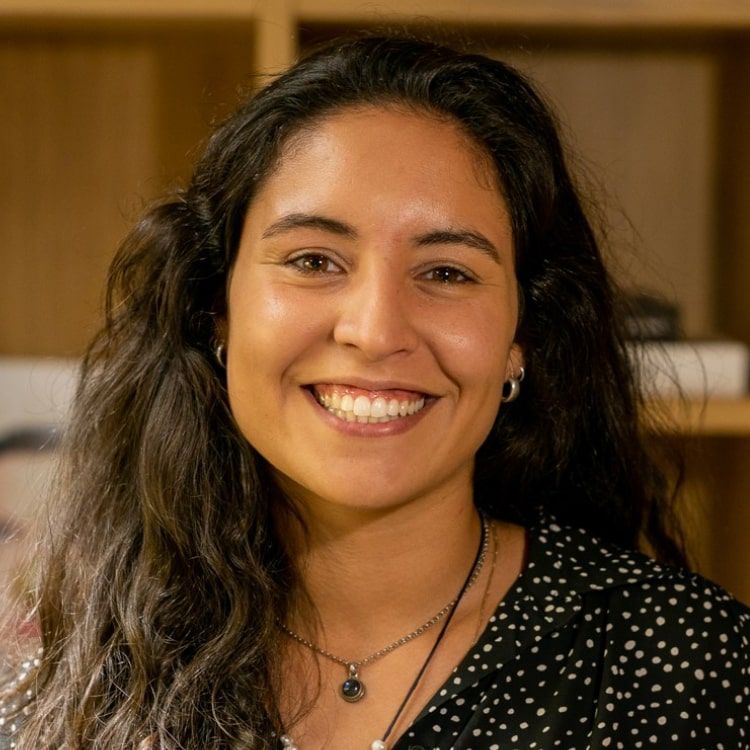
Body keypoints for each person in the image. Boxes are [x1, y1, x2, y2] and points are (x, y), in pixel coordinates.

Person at [1, 34, 747, 750]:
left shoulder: (686, 666)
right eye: (314, 260)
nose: (375, 329)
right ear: (216, 309)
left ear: (523, 335)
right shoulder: (70, 677)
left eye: (446, 272)